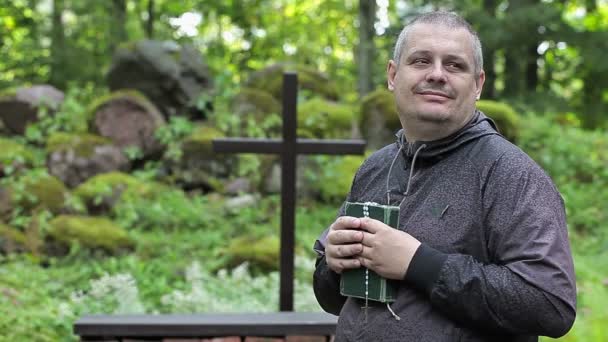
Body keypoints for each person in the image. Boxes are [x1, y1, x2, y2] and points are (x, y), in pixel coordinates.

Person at [312, 11, 576, 342]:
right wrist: (332, 266)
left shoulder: (511, 174)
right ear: (393, 75)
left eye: (454, 65)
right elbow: (333, 300)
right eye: (421, 61)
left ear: (478, 84)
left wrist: (417, 263)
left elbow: (550, 305)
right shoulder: (376, 167)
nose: (437, 74)